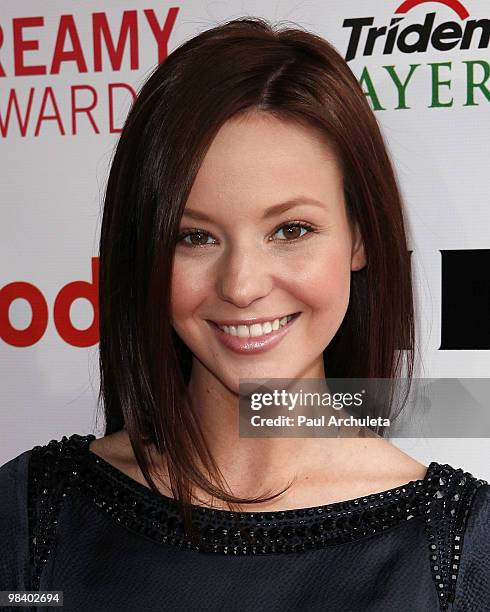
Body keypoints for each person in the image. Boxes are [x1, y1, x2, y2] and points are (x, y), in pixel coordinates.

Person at [1, 17, 489, 612]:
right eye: (194, 236)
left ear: (359, 237)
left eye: (291, 229)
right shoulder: (34, 520)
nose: (241, 285)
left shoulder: (461, 555)